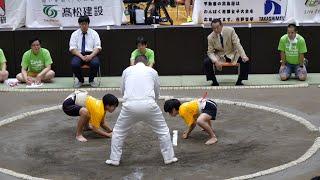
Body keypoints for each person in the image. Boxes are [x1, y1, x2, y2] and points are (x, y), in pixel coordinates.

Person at [106, 55, 177, 166]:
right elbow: (157, 89)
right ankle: (169, 158)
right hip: (149, 104)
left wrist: (129, 99)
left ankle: (114, 159)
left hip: (130, 105)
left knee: (118, 132)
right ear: (146, 62)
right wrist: (154, 101)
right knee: (163, 131)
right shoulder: (152, 71)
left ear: (135, 62)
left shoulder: (127, 70)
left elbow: (122, 89)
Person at [204, 19, 250, 86]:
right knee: (207, 62)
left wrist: (243, 55)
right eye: (213, 28)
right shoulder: (210, 37)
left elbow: (237, 44)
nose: (216, 30)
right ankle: (214, 81)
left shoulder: (230, 30)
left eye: (217, 27)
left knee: (245, 61)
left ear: (221, 25)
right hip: (220, 56)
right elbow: (210, 52)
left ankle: (240, 81)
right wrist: (215, 61)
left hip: (232, 53)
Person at [69, 15, 102, 88]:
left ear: (88, 24)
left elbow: (98, 47)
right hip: (79, 54)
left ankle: (91, 80)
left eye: (85, 24)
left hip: (91, 54)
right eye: (82, 24)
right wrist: (81, 56)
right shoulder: (74, 34)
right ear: (79, 24)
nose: (84, 26)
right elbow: (72, 49)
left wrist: (90, 56)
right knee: (74, 64)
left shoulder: (94, 33)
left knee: (96, 63)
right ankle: (81, 80)